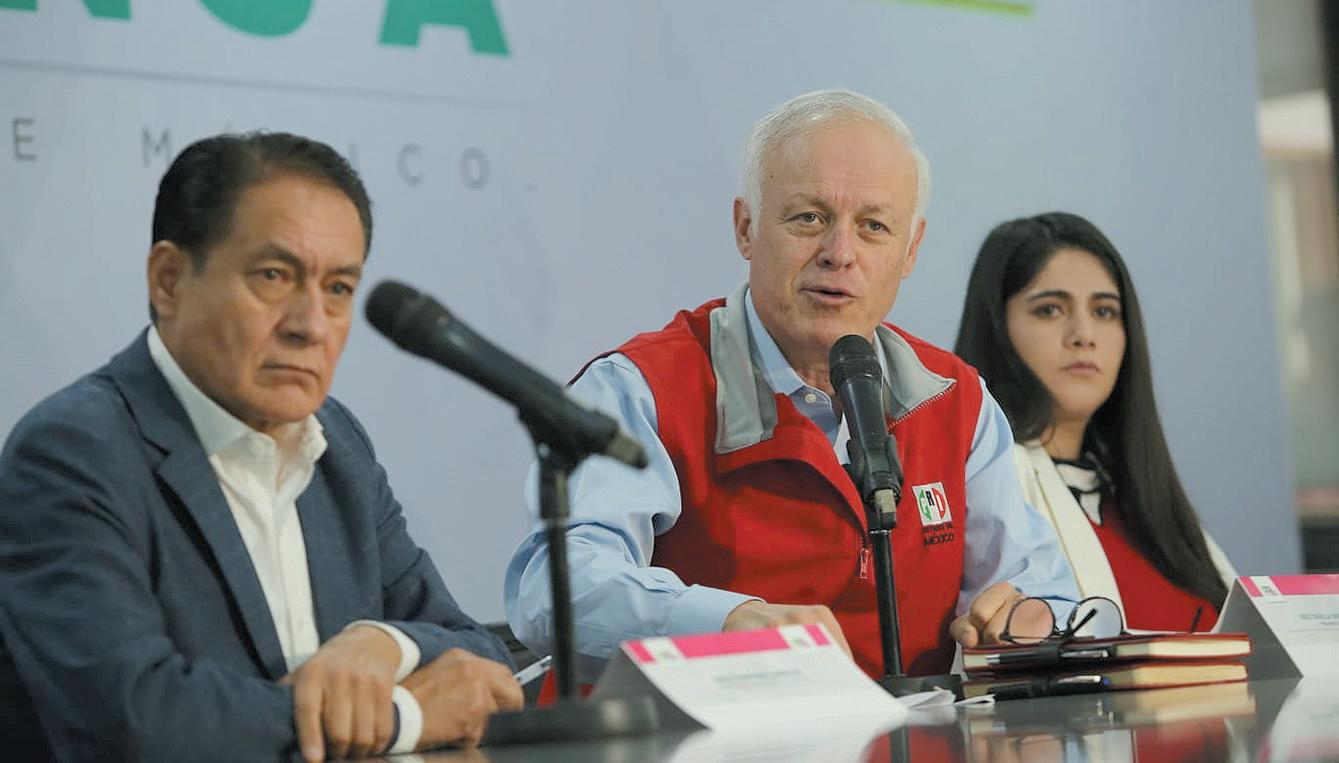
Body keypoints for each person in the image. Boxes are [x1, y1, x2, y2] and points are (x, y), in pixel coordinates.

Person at [504, 89, 1078, 682]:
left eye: (874, 226)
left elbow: (1047, 595)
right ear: (746, 228)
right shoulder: (642, 389)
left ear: (910, 251)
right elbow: (553, 587)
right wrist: (726, 624)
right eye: (809, 218)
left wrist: (1031, 618)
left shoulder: (955, 400)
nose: (839, 253)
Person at [0, 132, 522, 761]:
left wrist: (383, 643)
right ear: (169, 281)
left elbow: (477, 655)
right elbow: (138, 720)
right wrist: (401, 716)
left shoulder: (337, 446)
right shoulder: (72, 453)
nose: (310, 325)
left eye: (338, 288)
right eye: (274, 276)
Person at [954, 212, 1235, 632]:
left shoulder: (1145, 498)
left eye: (1104, 311)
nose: (1083, 334)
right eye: (1050, 310)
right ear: (997, 327)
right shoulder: (982, 486)